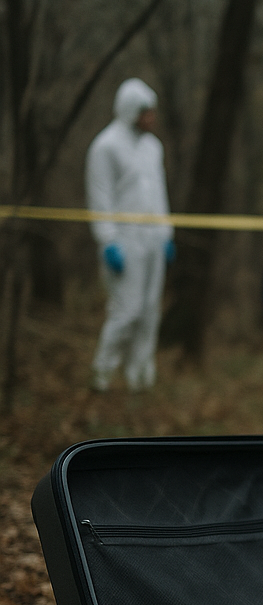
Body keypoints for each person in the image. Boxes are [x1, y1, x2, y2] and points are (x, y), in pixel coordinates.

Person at [86, 78, 175, 392]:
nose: (151, 118)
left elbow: (159, 192)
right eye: (146, 112)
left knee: (150, 310)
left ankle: (140, 377)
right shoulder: (105, 146)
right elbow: (100, 196)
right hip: (124, 241)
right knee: (127, 310)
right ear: (130, 111)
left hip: (153, 240)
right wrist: (107, 241)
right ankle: (103, 375)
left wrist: (166, 233)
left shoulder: (153, 147)